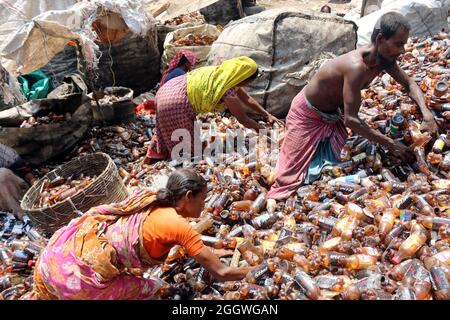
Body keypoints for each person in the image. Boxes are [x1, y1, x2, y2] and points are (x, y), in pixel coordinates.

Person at [268, 12, 439, 201]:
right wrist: (390, 144)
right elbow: (351, 119)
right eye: (399, 44)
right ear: (381, 39)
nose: (403, 50)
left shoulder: (385, 61)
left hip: (333, 114)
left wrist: (427, 114)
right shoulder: (356, 67)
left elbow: (409, 84)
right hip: (307, 114)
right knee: (287, 181)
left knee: (341, 162)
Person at [31, 169, 251, 300]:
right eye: (202, 200)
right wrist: (256, 269)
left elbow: (198, 251)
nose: (204, 207)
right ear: (188, 196)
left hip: (57, 254)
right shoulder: (179, 226)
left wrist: (219, 250)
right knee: (153, 288)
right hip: (75, 279)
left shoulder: (149, 199)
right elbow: (222, 272)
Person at [145, 56, 282, 162]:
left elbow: (246, 98)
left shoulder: (223, 74)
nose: (248, 84)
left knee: (165, 129)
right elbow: (243, 119)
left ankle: (152, 157)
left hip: (167, 90)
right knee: (192, 151)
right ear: (243, 77)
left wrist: (266, 114)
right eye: (249, 81)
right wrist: (266, 133)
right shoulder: (226, 89)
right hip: (176, 101)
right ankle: (173, 164)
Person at [0, 143, 36, 217]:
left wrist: (34, 182)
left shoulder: (2, 152)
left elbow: (24, 171)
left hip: (13, 196)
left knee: (2, 174)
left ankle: (24, 216)